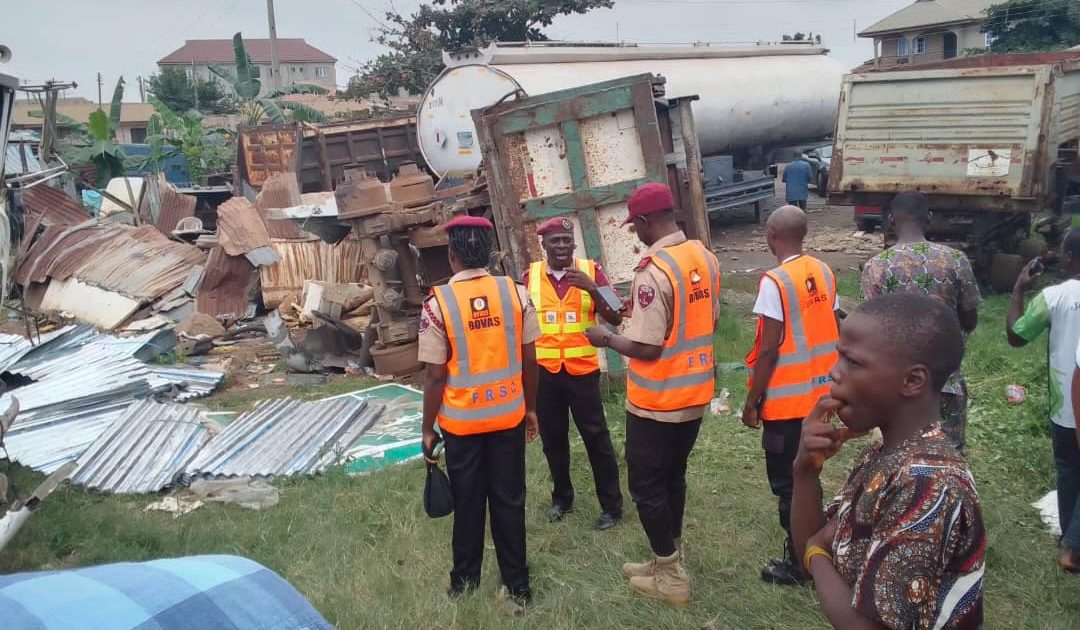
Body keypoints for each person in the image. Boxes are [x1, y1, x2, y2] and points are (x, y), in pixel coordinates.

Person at [792, 294, 985, 629]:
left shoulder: (929, 483)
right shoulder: (884, 454)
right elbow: (815, 548)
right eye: (839, 357)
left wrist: (816, 551)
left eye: (852, 362)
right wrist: (804, 471)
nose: (833, 373)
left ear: (912, 381)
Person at [583, 182, 720, 606]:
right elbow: (705, 319)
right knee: (671, 475)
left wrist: (606, 338)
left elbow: (647, 346)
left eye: (634, 226)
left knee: (645, 486)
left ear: (644, 221)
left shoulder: (653, 270)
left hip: (658, 400)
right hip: (694, 392)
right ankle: (667, 558)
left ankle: (671, 574)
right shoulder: (704, 257)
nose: (635, 234)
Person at [418, 215, 540, 608]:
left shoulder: (438, 304)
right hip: (508, 417)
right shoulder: (516, 294)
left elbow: (436, 376)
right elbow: (529, 359)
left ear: (451, 254)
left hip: (462, 426)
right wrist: (531, 409)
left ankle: (464, 581)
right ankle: (518, 587)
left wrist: (427, 429)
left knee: (468, 502)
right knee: (509, 499)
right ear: (489, 252)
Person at [742, 204, 840, 586]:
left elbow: (769, 349)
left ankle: (802, 563)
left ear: (771, 236)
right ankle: (818, 547)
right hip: (822, 399)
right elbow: (831, 325)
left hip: (786, 405)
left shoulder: (775, 281)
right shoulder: (824, 270)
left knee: (788, 485)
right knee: (810, 476)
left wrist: (752, 400)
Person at [523, 216, 625, 530]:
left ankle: (611, 506)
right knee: (554, 441)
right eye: (556, 241)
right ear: (544, 245)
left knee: (597, 438)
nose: (563, 246)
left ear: (574, 244)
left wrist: (593, 289)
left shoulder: (591, 272)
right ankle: (562, 499)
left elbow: (616, 316)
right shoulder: (530, 276)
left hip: (582, 373)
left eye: (568, 240)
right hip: (546, 374)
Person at [860, 192, 980, 453]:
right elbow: (970, 320)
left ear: (891, 221)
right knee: (948, 454)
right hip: (944, 379)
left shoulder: (876, 267)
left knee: (897, 454)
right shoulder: (955, 260)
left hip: (895, 381)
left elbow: (870, 330)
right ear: (930, 219)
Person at [1009, 228, 1080, 574]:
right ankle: (1073, 544)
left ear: (1068, 256)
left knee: (1069, 470)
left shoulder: (1055, 297)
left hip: (1066, 403)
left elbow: (1017, 335)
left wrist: (1020, 288)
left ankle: (1070, 539)